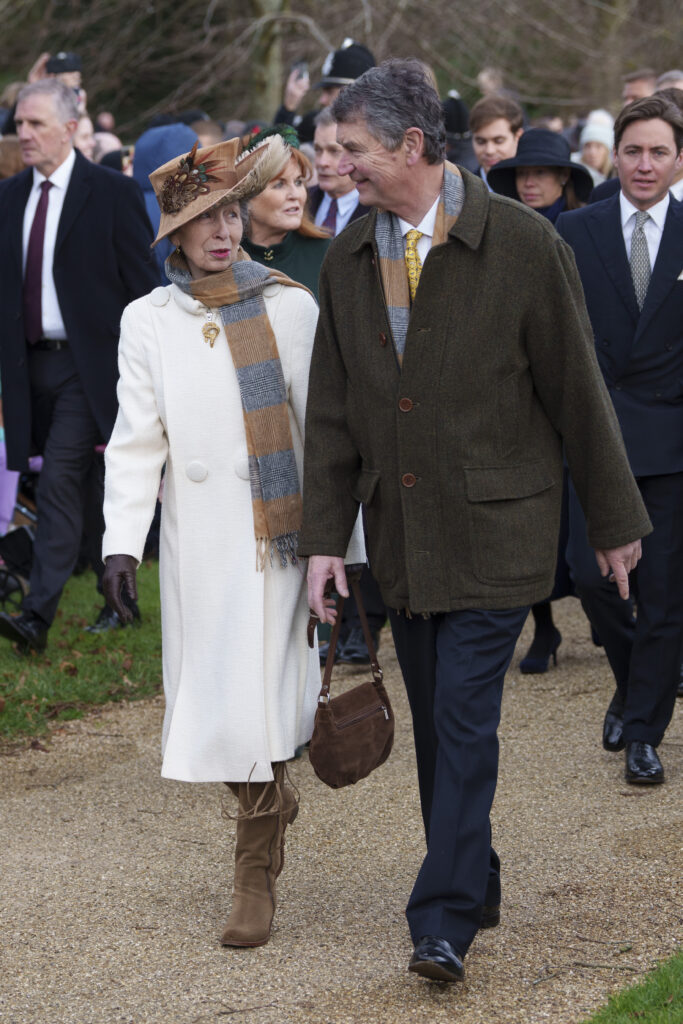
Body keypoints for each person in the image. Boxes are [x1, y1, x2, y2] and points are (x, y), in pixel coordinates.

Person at [299, 58, 650, 985]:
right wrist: (325, 542)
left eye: (356, 151)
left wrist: (614, 521)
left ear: (412, 146)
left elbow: (578, 391)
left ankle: (443, 915)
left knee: (460, 720)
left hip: (499, 530)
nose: (342, 167)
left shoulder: (526, 246)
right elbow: (331, 412)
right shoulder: (345, 257)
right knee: (435, 723)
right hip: (403, 539)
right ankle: (475, 872)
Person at [101, 134, 362, 949]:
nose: (220, 230)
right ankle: (269, 806)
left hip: (277, 542)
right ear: (172, 234)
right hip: (197, 546)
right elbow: (137, 438)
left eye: (226, 212)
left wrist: (341, 550)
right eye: (199, 218)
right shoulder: (148, 319)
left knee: (258, 705)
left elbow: (325, 434)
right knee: (213, 705)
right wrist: (119, 543)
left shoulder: (289, 305)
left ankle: (253, 875)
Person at [0, 79, 158, 653]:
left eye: (36, 124)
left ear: (70, 128)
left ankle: (36, 617)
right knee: (90, 487)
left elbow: (145, 289)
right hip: (28, 366)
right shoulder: (10, 195)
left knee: (61, 479)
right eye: (19, 123)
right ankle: (121, 600)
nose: (23, 134)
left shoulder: (111, 193)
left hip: (90, 369)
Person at [556, 94, 683, 785]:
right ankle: (635, 680)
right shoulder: (576, 230)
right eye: (632, 150)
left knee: (662, 594)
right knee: (587, 577)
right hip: (594, 434)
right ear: (613, 154)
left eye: (658, 151)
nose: (643, 164)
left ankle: (642, 731)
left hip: (670, 441)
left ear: (677, 160)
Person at [487, 129, 594, 672]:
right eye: (521, 174)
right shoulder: (504, 233)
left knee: (587, 509)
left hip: (574, 378)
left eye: (541, 174)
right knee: (533, 520)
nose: (530, 182)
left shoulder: (581, 229)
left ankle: (604, 610)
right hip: (524, 393)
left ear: (563, 179)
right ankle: (546, 627)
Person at [240, 128, 330, 299]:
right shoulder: (226, 258)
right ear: (247, 195)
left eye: (298, 182)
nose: (295, 194)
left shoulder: (326, 253)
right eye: (279, 185)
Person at [273, 39, 376, 144]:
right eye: (319, 150)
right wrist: (288, 108)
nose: (322, 100)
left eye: (330, 91)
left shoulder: (381, 136)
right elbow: (277, 151)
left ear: (357, 94)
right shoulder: (314, 125)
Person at [309, 107, 371, 236]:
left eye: (334, 151)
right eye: (318, 150)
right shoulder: (302, 202)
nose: (322, 162)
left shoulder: (379, 211)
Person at [468, 93, 523, 190]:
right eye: (481, 141)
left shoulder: (534, 193)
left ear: (518, 136)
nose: (489, 151)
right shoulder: (461, 193)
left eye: (499, 141)